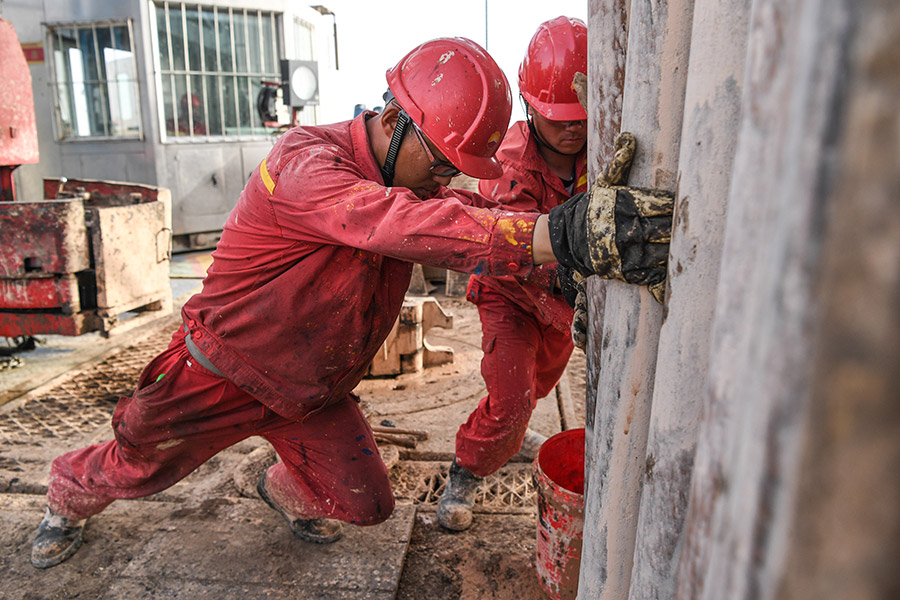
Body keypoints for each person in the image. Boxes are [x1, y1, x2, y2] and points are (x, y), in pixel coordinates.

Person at [30, 34, 670, 569]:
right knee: (135, 466)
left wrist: (562, 274)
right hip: (222, 374)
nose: (446, 181)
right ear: (396, 123)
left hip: (311, 393)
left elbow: (463, 213)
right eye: (443, 165)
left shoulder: (404, 176)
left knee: (367, 505)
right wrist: (551, 233)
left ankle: (280, 484)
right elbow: (394, 222)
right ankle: (65, 496)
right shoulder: (305, 163)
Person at [437, 16, 591, 531]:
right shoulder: (512, 166)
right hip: (512, 294)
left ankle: (507, 425)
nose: (572, 127)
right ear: (529, 105)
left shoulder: (603, 148)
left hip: (562, 304)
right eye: (557, 117)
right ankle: (466, 468)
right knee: (511, 400)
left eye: (581, 116)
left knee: (536, 387)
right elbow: (511, 250)